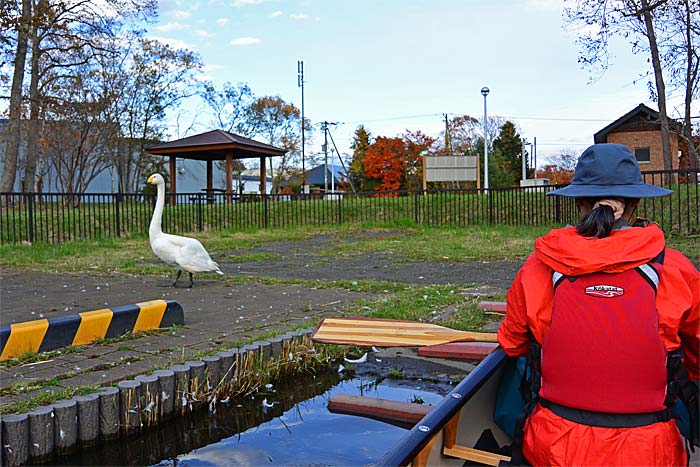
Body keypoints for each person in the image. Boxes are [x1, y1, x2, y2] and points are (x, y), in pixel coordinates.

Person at [497, 143, 699, 466]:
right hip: (649, 454)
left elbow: (511, 343)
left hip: (553, 450)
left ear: (578, 201)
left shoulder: (538, 268)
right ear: (635, 202)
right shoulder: (674, 271)